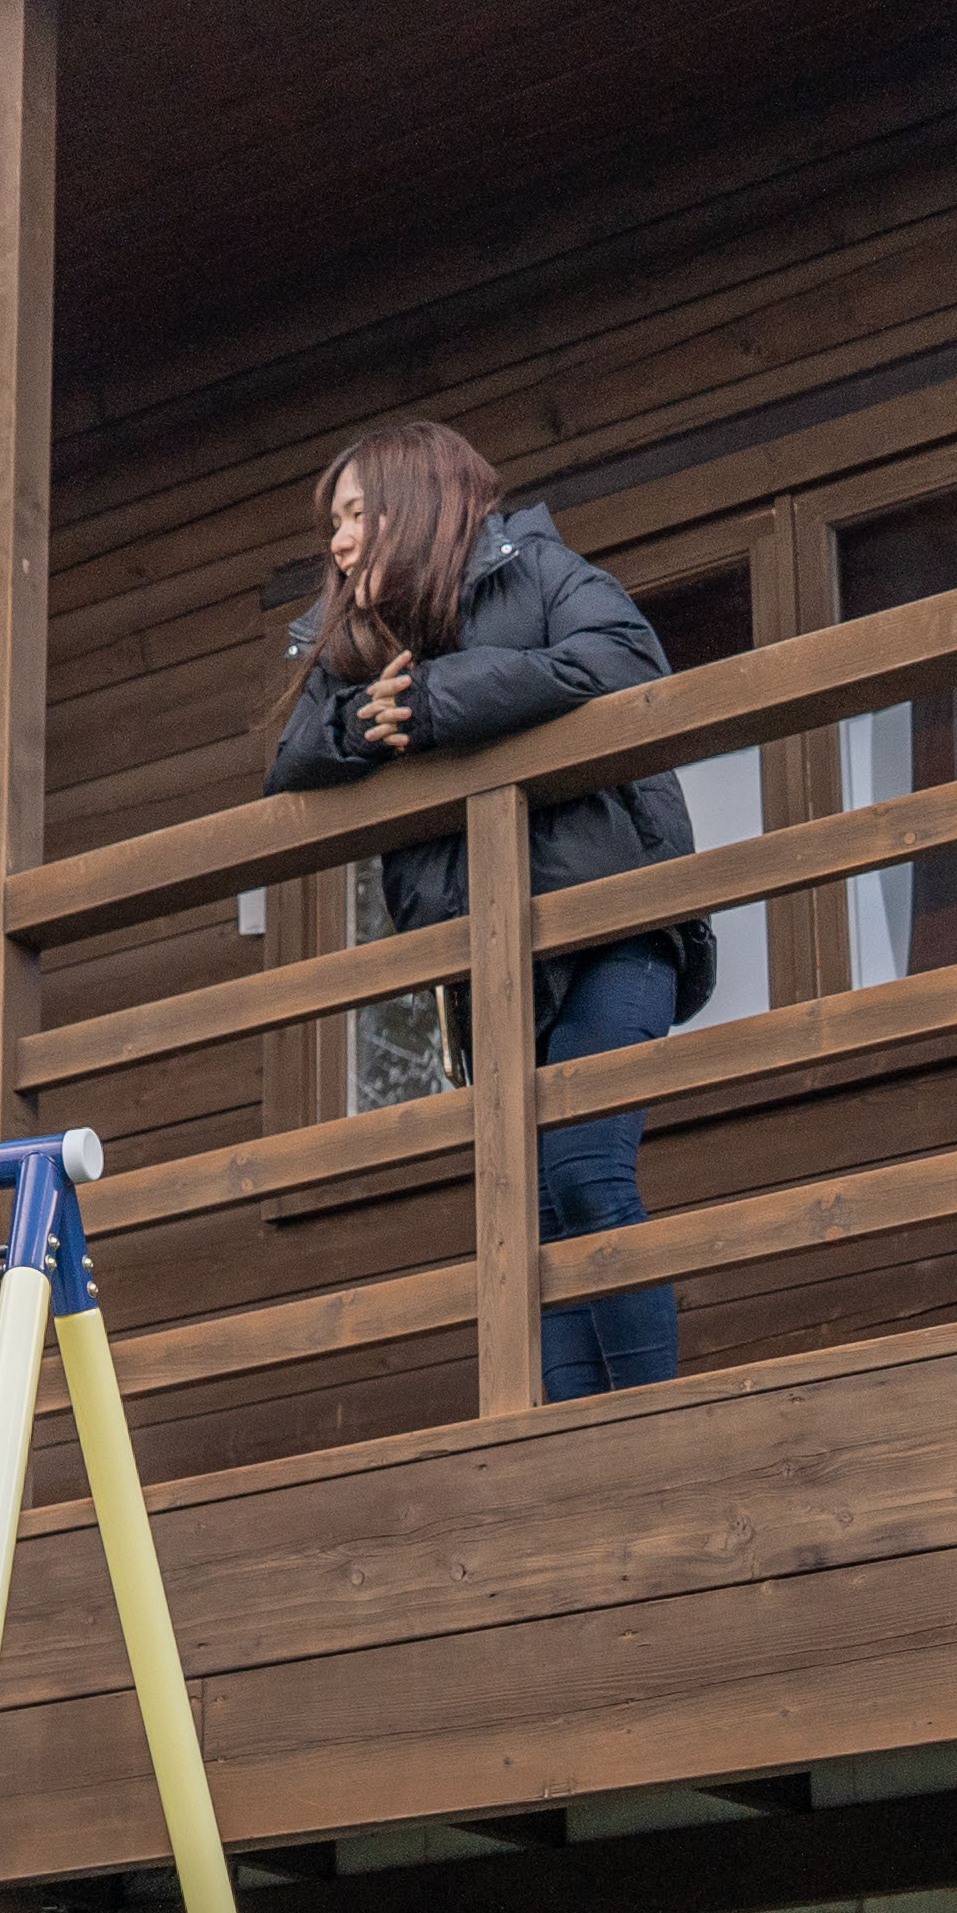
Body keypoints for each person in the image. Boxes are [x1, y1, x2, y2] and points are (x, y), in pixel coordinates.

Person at [266, 416, 711, 1396]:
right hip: (488, 967)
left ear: (417, 503)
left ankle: (649, 1421)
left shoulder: (536, 570)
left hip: (614, 932)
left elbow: (628, 663)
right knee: (534, 1216)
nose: (338, 542)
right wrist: (365, 723)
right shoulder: (353, 639)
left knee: (585, 1174)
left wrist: (443, 700)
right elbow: (288, 761)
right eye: (332, 524)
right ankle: (569, 1442)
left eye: (356, 515)